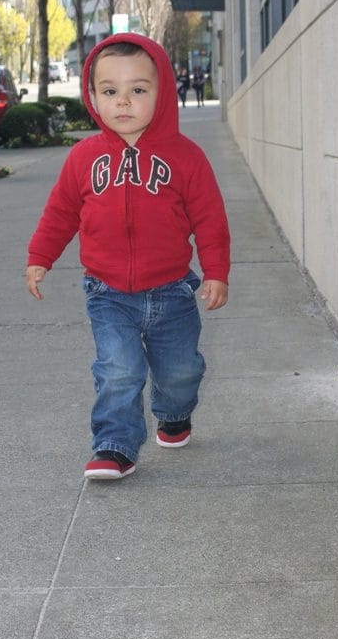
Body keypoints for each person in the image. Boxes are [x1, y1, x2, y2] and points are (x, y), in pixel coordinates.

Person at [26, 33, 230, 480]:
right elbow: (60, 212)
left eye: (138, 89)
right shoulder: (83, 158)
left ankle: (174, 414)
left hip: (172, 291)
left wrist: (216, 271)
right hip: (108, 291)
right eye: (109, 90)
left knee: (180, 371)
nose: (123, 101)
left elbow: (210, 219)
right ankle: (114, 445)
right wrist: (40, 255)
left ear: (163, 93)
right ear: (93, 96)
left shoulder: (186, 158)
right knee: (117, 370)